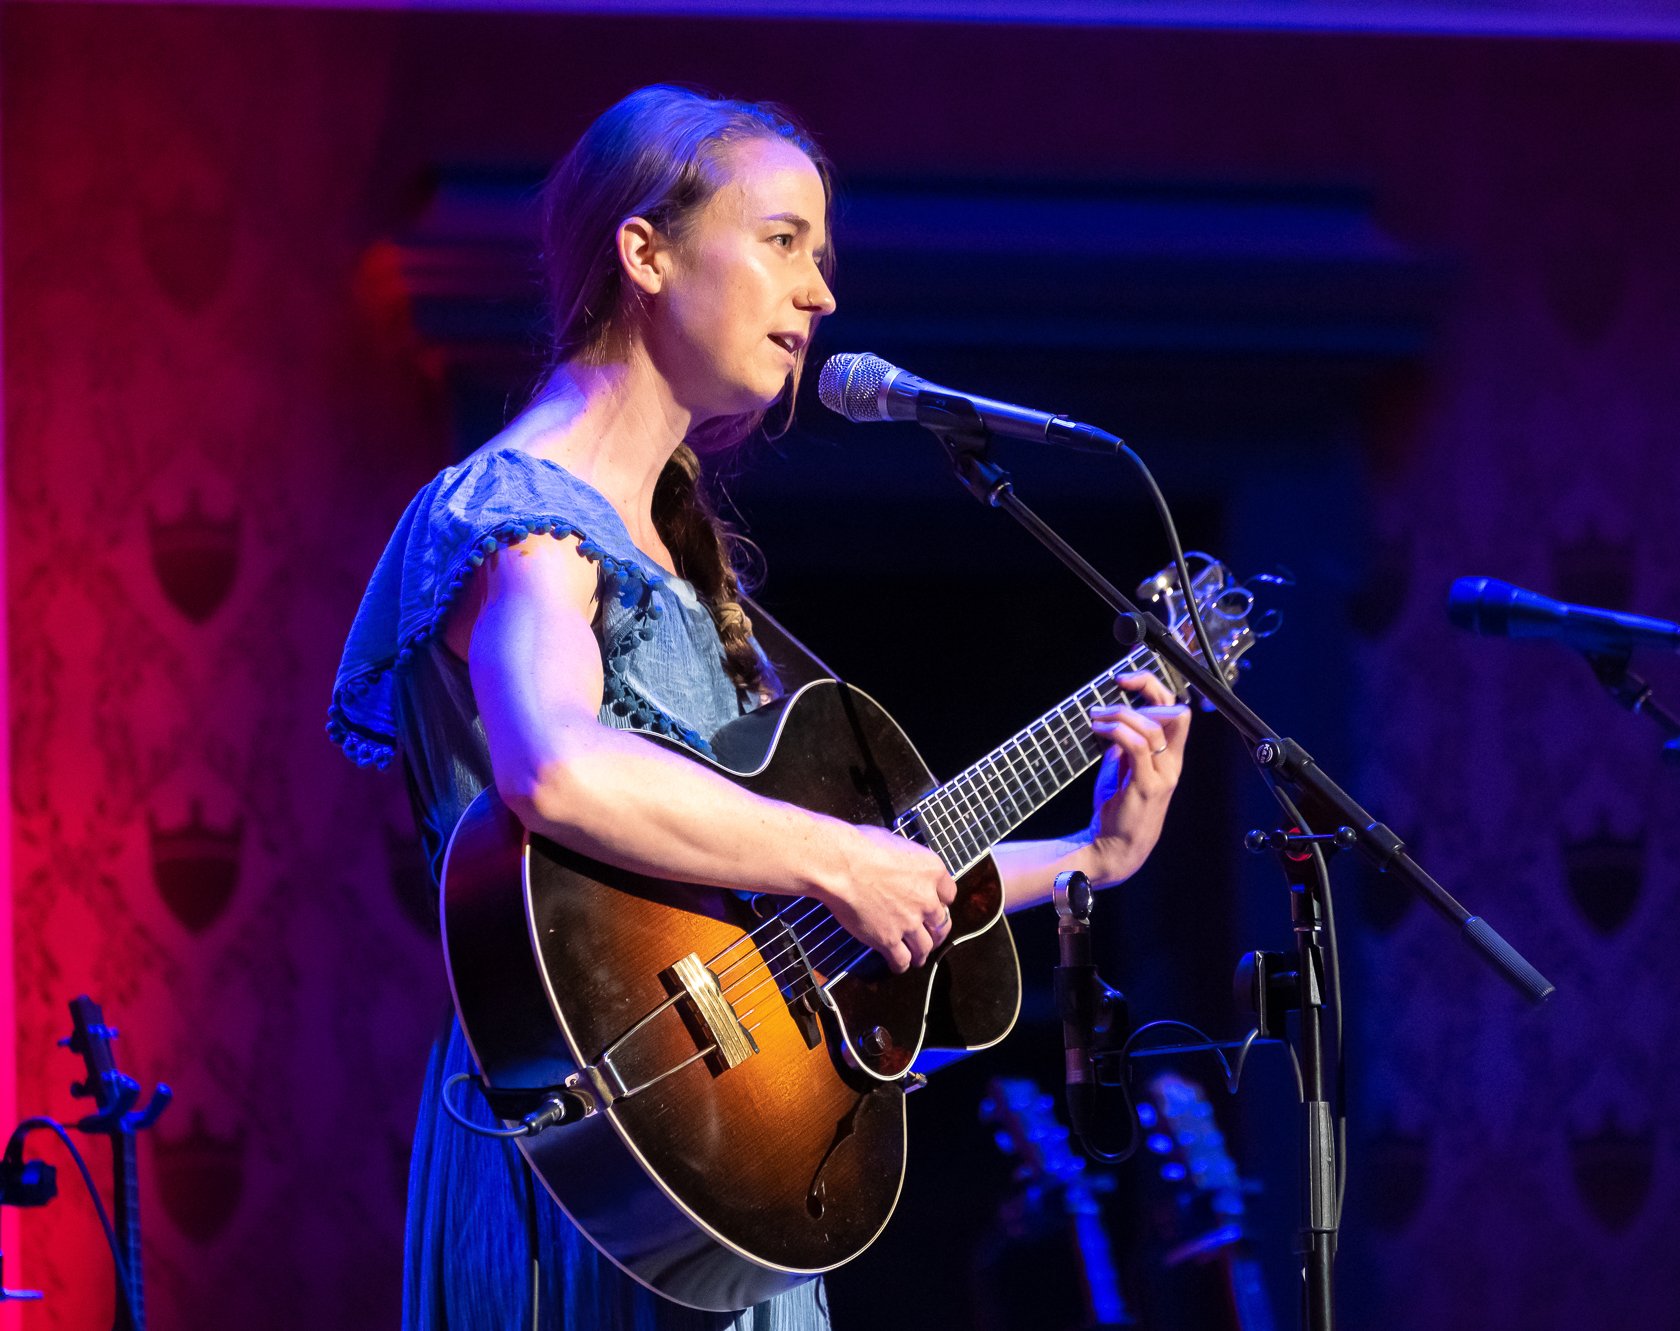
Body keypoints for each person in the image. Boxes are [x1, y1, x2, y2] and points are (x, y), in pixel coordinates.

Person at [328, 85, 1190, 1331]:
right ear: (645, 252)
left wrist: (1091, 856)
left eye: (821, 256)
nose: (820, 292)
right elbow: (555, 768)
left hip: (721, 1153)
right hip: (586, 1149)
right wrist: (841, 853)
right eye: (782, 240)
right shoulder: (519, 515)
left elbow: (802, 904)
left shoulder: (684, 553)